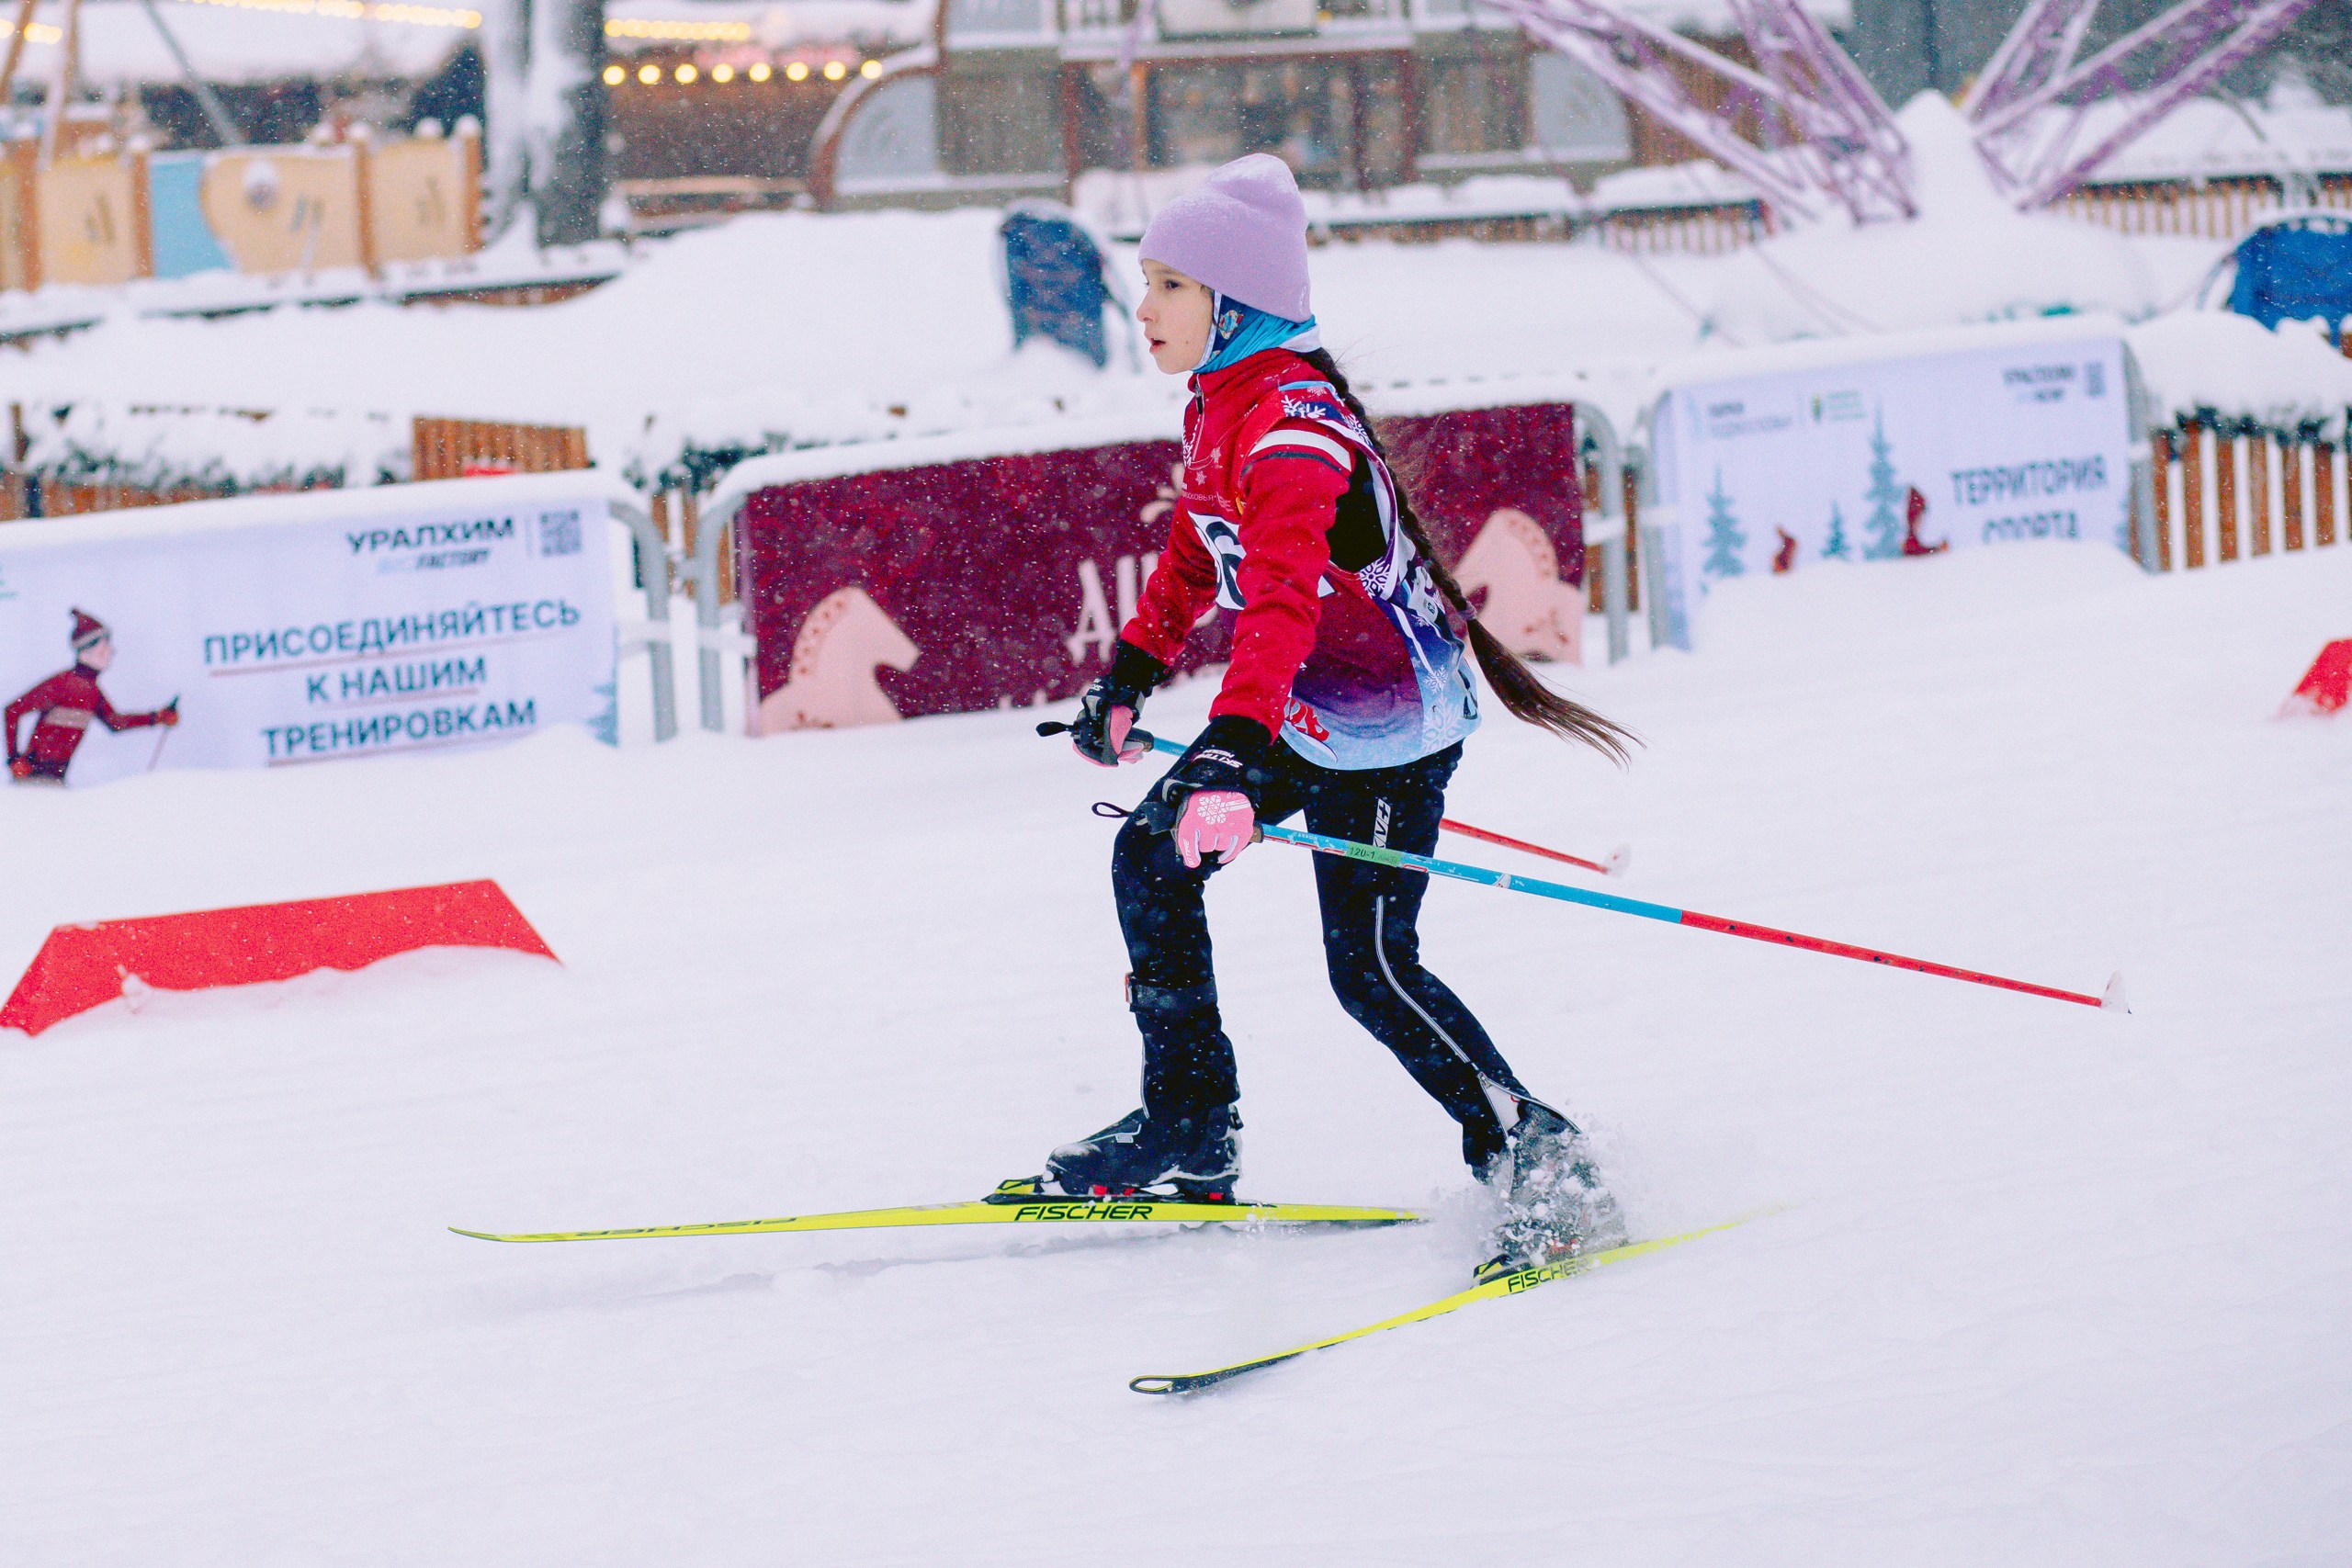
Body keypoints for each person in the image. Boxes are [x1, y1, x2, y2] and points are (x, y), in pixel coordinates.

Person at [1045, 154, 1638, 1270]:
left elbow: (1279, 603)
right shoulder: (1221, 408)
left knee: (1367, 966)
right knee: (1147, 859)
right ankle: (1188, 1123)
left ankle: (1537, 1153)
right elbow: (1194, 553)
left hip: (1388, 730)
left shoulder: (1292, 435)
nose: (1143, 306)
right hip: (1300, 717)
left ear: (1234, 301)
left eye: (1168, 284)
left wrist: (1227, 752)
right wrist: (1130, 670)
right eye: (1147, 280)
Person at [6, 609, 178, 786]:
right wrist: (14, 759)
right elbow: (12, 710)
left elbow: (114, 723)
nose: (110, 651)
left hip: (55, 780)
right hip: (33, 780)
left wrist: (156, 718)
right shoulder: (61, 684)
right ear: (85, 652)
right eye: (103, 648)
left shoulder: (91, 691)